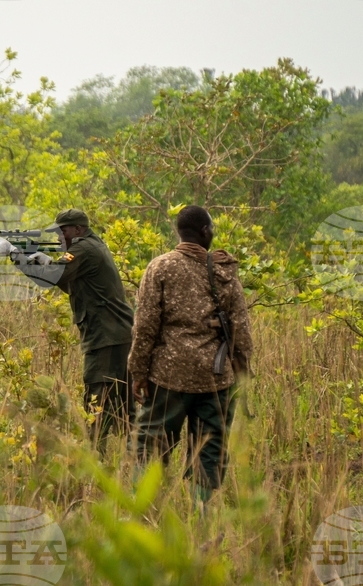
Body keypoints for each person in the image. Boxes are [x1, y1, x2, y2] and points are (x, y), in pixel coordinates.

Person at [127, 205, 253, 505]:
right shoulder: (223, 271)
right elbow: (241, 332)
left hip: (168, 376)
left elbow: (144, 326)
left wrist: (139, 372)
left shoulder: (159, 267)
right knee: (210, 451)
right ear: (204, 233)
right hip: (215, 378)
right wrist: (242, 373)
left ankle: (141, 515)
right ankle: (203, 519)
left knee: (150, 446)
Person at [0, 209, 135, 454]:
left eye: (62, 231)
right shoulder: (90, 246)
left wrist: (15, 253)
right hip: (115, 335)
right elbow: (66, 281)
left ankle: (95, 464)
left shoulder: (84, 249)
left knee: (98, 402)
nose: (58, 237)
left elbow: (50, 278)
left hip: (106, 337)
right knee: (123, 405)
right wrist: (39, 259)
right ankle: (139, 464)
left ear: (77, 229)